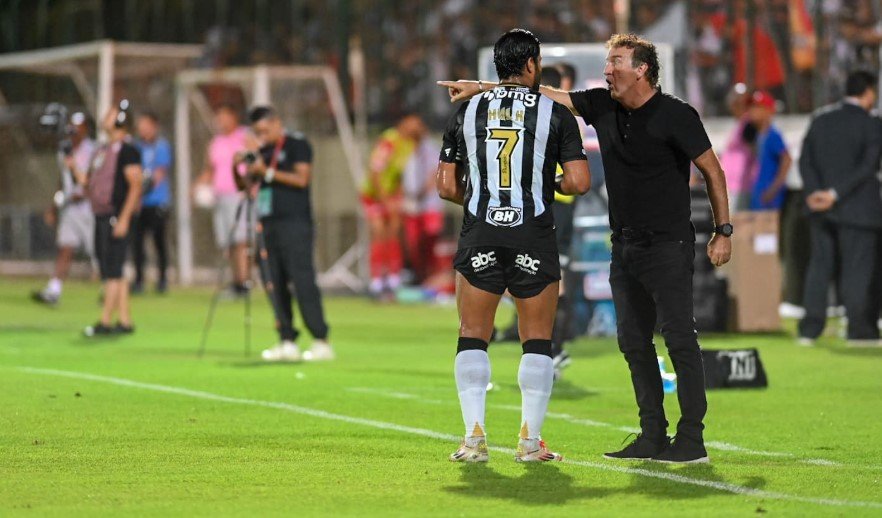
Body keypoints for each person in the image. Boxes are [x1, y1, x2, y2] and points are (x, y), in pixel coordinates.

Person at [440, 32, 732, 464]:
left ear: (642, 69)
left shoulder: (676, 114)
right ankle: (651, 434)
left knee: (679, 340)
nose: (607, 69)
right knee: (632, 342)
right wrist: (485, 87)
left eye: (616, 62)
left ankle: (691, 438)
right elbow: (541, 95)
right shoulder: (602, 105)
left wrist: (723, 229)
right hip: (623, 245)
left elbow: (712, 170)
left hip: (668, 244)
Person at [437, 29, 590, 463]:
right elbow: (579, 182)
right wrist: (542, 185)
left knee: (472, 335)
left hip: (481, 231)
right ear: (531, 65)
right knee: (537, 339)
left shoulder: (466, 111)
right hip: (533, 234)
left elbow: (447, 187)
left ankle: (473, 439)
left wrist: (489, 199)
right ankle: (528, 442)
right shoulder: (556, 114)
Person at [234, 106, 334, 362]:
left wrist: (266, 171)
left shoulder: (297, 144)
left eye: (265, 130)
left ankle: (321, 339)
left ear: (277, 123)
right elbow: (244, 187)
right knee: (273, 281)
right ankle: (286, 339)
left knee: (301, 280)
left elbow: (302, 179)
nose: (262, 136)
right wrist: (239, 168)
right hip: (268, 224)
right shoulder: (262, 152)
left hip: (295, 223)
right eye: (257, 132)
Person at [798, 71, 882, 346]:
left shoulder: (821, 119)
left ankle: (810, 330)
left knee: (819, 269)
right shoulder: (871, 124)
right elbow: (867, 167)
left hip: (819, 208)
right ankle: (859, 330)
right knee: (857, 271)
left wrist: (814, 193)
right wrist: (834, 194)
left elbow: (805, 160)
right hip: (857, 209)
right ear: (869, 92)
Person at [83, 102, 143, 336]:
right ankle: (125, 320)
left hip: (116, 214)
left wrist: (125, 218)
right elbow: (89, 182)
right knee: (111, 267)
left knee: (113, 268)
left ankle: (105, 320)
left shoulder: (128, 150)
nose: (105, 117)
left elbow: (135, 186)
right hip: (101, 214)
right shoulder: (103, 149)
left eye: (111, 114)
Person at [32, 112, 96, 305]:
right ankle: (54, 289)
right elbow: (62, 181)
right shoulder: (64, 151)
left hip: (89, 208)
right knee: (65, 248)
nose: (75, 131)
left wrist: (87, 193)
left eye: (79, 127)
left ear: (85, 129)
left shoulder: (93, 150)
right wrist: (53, 206)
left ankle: (112, 289)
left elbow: (94, 180)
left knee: (100, 252)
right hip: (69, 208)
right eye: (72, 126)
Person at [361, 113, 425, 298]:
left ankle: (393, 276)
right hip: (373, 194)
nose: (417, 126)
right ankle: (377, 278)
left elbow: (398, 174)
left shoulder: (410, 144)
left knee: (395, 232)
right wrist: (385, 200)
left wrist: (398, 197)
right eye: (415, 122)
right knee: (379, 231)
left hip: (391, 193)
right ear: (404, 122)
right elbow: (375, 172)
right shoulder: (389, 140)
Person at [196, 104, 250, 297]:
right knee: (228, 243)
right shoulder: (216, 142)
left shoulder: (245, 136)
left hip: (240, 195)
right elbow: (210, 170)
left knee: (241, 240)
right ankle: (236, 281)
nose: (220, 121)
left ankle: (244, 282)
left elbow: (255, 163)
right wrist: (197, 186)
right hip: (220, 197)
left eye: (224, 117)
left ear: (233, 117)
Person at [131, 111, 173, 294]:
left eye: (146, 124)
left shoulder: (161, 147)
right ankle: (139, 279)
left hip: (157, 202)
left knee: (159, 242)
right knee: (137, 243)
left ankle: (162, 279)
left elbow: (158, 174)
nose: (143, 129)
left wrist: (140, 192)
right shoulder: (136, 147)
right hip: (139, 203)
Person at [401, 131, 444, 285]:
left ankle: (431, 277)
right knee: (413, 244)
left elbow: (436, 172)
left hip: (430, 204)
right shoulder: (403, 149)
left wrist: (422, 191)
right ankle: (418, 276)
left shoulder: (430, 148)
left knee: (430, 241)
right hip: (411, 205)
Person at [747, 91, 791, 211]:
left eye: (757, 107)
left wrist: (774, 188)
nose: (752, 111)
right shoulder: (758, 135)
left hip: (769, 194)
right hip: (758, 190)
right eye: (751, 107)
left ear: (768, 111)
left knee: (767, 228)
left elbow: (787, 159)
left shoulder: (773, 135)